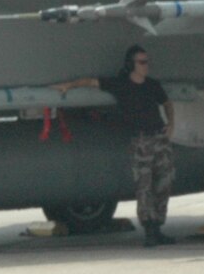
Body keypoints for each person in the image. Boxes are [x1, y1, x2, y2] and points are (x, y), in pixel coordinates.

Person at [54, 45, 176, 246]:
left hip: (159, 139)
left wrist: (171, 124)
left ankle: (158, 225)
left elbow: (167, 103)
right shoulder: (120, 85)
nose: (146, 66)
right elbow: (91, 82)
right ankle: (149, 230)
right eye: (142, 62)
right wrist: (70, 85)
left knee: (165, 183)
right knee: (144, 187)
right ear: (131, 65)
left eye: (147, 62)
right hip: (141, 142)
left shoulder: (153, 85)